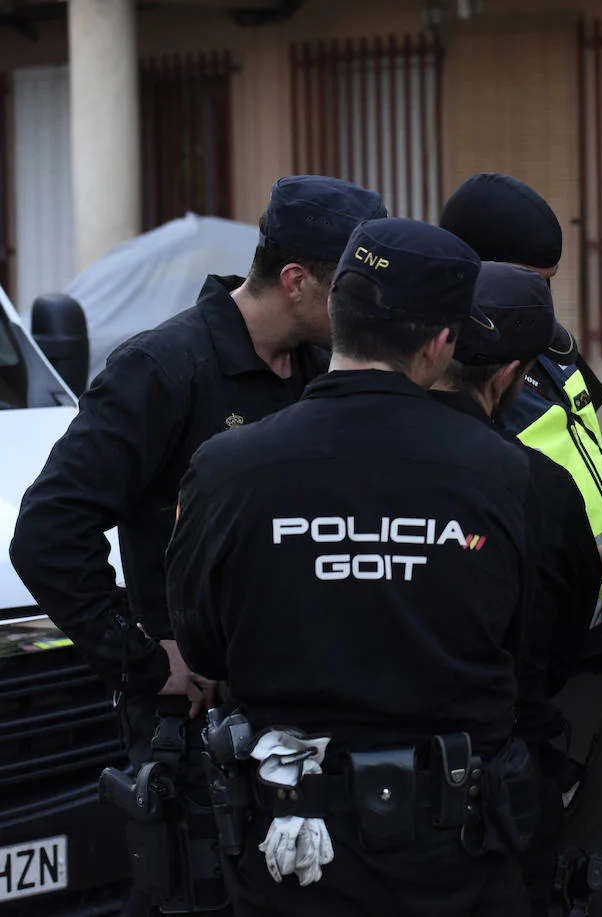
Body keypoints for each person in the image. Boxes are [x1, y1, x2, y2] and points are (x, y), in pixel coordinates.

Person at [9, 174, 385, 913]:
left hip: (307, 719)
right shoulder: (163, 368)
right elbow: (49, 532)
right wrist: (144, 655)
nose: (363, 311)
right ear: (296, 280)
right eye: (351, 289)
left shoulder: (321, 372)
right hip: (196, 735)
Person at [166, 217, 536, 917]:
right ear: (440, 345)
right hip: (452, 852)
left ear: (336, 314)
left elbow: (205, 644)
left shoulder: (227, 468)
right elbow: (530, 644)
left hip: (291, 853)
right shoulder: (506, 472)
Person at [440, 172, 602, 917]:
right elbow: (499, 555)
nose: (545, 300)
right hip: (542, 660)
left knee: (601, 862)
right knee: (537, 861)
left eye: (550, 283)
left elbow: (592, 438)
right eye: (533, 281)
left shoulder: (545, 343)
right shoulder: (456, 373)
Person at [430, 260, 602, 916]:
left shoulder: (337, 463)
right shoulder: (540, 488)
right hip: (500, 784)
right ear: (509, 376)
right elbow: (566, 634)